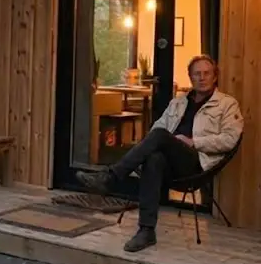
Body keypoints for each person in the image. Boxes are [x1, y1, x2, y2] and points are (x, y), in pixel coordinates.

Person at [77, 55, 244, 253]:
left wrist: (193, 142)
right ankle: (146, 231)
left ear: (215, 77)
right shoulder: (178, 103)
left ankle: (111, 177)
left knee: (160, 136)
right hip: (169, 161)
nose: (202, 77)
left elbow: (230, 139)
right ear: (190, 77)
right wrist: (166, 142)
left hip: (196, 163)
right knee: (154, 158)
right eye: (197, 74)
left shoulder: (227, 104)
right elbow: (158, 129)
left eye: (206, 73)